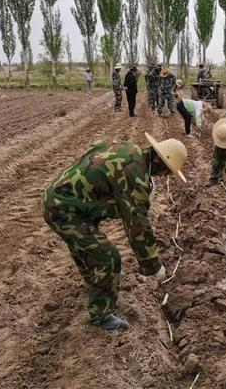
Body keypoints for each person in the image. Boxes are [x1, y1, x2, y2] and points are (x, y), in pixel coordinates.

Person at [41, 133, 188, 330]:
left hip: (61, 200)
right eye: (167, 172)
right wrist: (152, 266)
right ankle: (100, 316)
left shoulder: (130, 151)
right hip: (64, 210)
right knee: (108, 258)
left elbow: (94, 149)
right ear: (160, 162)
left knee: (85, 248)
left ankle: (95, 280)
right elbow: (137, 224)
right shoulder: (135, 174)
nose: (163, 176)